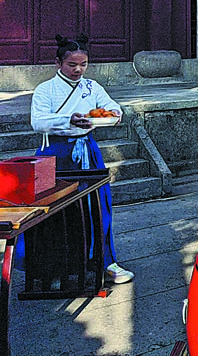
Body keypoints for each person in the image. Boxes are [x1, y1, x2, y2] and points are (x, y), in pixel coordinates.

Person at [29, 35, 133, 284]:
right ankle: (55, 269)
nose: (78, 70)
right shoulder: (45, 89)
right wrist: (68, 120)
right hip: (55, 153)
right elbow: (38, 121)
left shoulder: (91, 87)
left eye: (83, 64)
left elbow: (110, 105)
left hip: (87, 150)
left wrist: (114, 113)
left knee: (97, 206)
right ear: (58, 63)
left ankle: (104, 262)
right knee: (56, 210)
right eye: (72, 65)